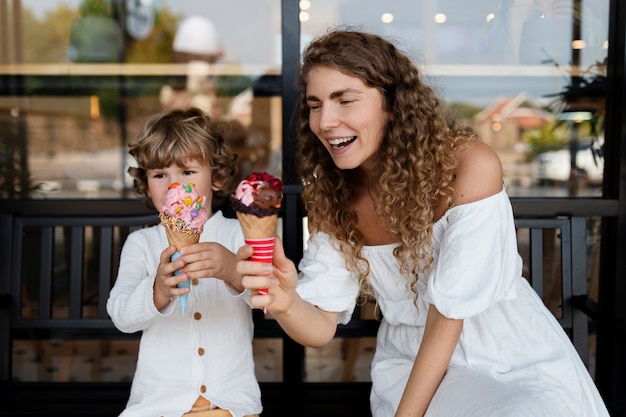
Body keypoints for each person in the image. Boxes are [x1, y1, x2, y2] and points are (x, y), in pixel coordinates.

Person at [236, 29, 610, 417]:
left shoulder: (469, 166)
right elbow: (320, 329)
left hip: (514, 356)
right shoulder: (335, 194)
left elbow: (449, 313)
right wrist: (284, 302)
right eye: (315, 105)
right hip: (414, 365)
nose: (325, 121)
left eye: (345, 100)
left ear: (393, 105)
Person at [107, 108, 261, 417]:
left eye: (187, 172)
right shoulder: (142, 243)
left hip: (229, 403)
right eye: (160, 175)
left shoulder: (237, 235)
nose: (174, 186)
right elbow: (121, 317)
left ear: (216, 177)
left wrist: (233, 270)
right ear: (146, 184)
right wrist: (157, 292)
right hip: (157, 406)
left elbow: (266, 297)